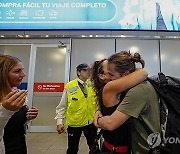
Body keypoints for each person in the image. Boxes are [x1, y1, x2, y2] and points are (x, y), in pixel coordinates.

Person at [94, 51, 160, 154]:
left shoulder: (137, 90)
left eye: (111, 74)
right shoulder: (136, 86)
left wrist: (98, 120)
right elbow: (142, 72)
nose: (110, 78)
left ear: (126, 74)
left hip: (144, 148)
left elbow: (111, 124)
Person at [55, 63, 98, 154]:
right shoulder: (70, 86)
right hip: (74, 123)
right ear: (79, 72)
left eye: (89, 70)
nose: (88, 72)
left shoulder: (92, 84)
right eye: (85, 70)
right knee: (72, 148)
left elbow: (97, 103)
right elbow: (62, 106)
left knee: (94, 147)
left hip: (90, 122)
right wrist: (59, 122)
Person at [0, 54, 38, 154]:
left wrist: (27, 117)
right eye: (17, 71)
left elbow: (14, 125)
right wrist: (5, 110)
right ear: (2, 74)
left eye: (22, 70)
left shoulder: (16, 94)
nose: (23, 74)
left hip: (19, 146)